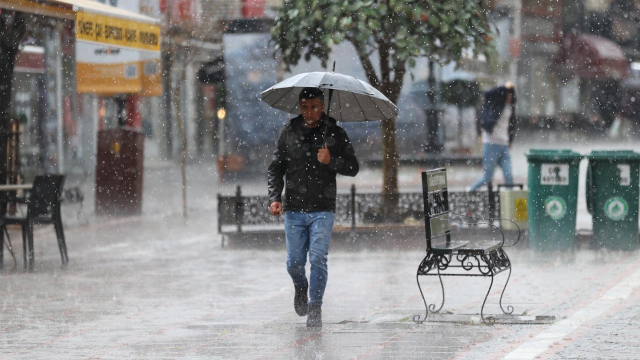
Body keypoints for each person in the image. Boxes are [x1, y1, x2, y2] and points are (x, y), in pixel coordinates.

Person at [268, 87, 359, 327]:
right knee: (294, 263)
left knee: (318, 258)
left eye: (314, 107)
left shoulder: (335, 133)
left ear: (322, 107)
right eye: (305, 107)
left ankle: (315, 305)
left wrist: (332, 161)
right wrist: (274, 197)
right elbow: (276, 167)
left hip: (323, 208)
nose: (309, 112)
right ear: (300, 107)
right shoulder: (288, 132)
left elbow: (353, 167)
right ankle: (301, 286)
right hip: (294, 209)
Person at [468, 82, 516, 192]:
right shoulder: (494, 103)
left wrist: (510, 140)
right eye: (507, 94)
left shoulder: (511, 107)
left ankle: (510, 202)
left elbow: (512, 125)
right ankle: (470, 190)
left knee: (509, 176)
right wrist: (504, 87)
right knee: (487, 178)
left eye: (511, 94)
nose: (509, 96)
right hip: (491, 144)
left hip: (504, 145)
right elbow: (487, 93)